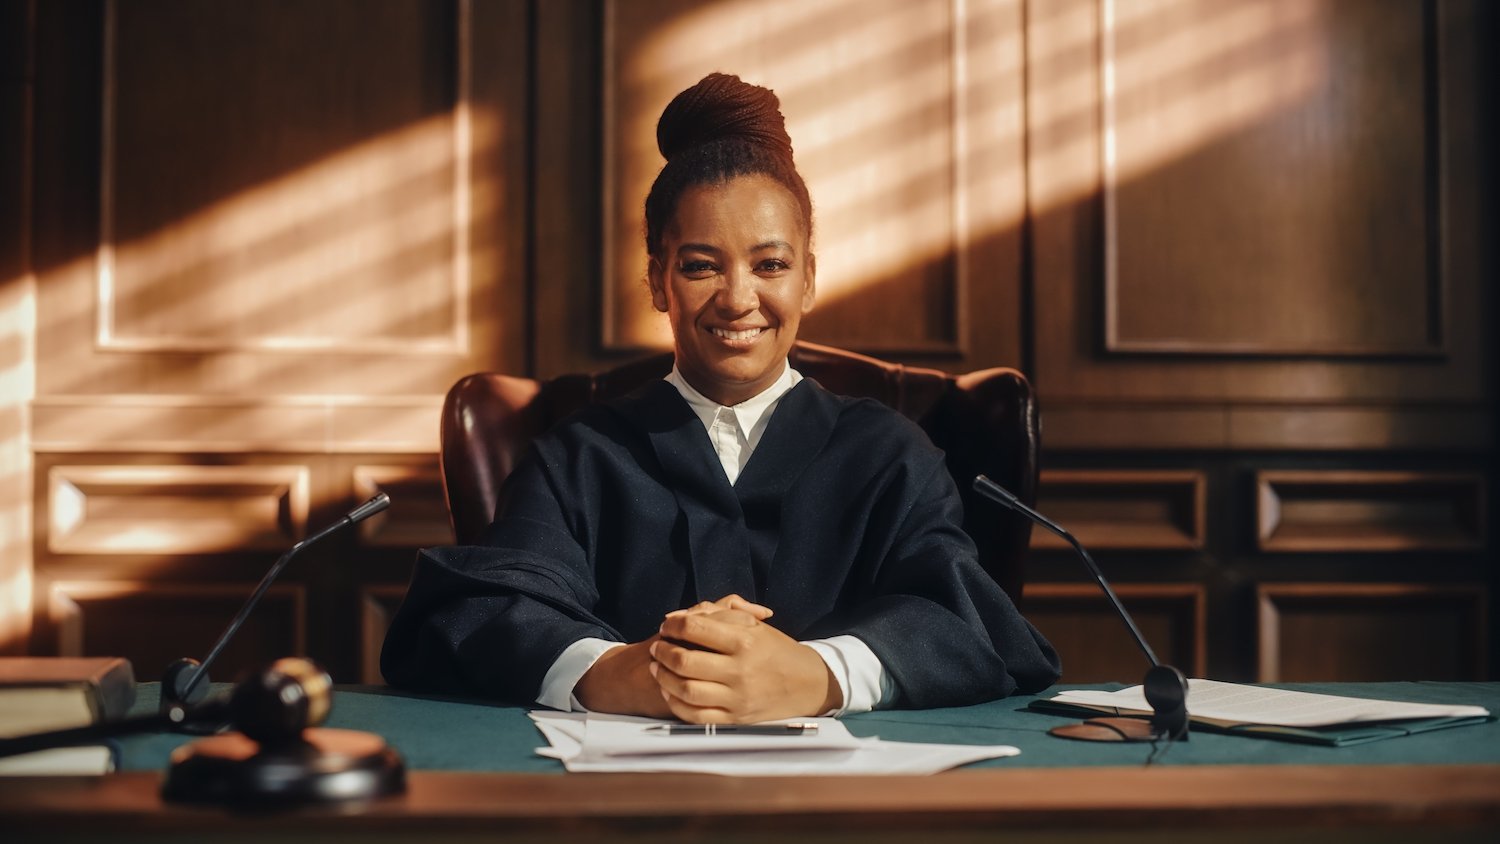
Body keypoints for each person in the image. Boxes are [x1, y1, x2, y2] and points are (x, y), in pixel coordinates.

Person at [381, 73, 1060, 723]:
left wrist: (817, 676)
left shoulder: (890, 455)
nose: (739, 299)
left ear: (808, 281)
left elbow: (968, 622)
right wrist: (619, 673)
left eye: (771, 265)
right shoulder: (580, 457)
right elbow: (480, 612)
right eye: (701, 265)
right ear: (657, 281)